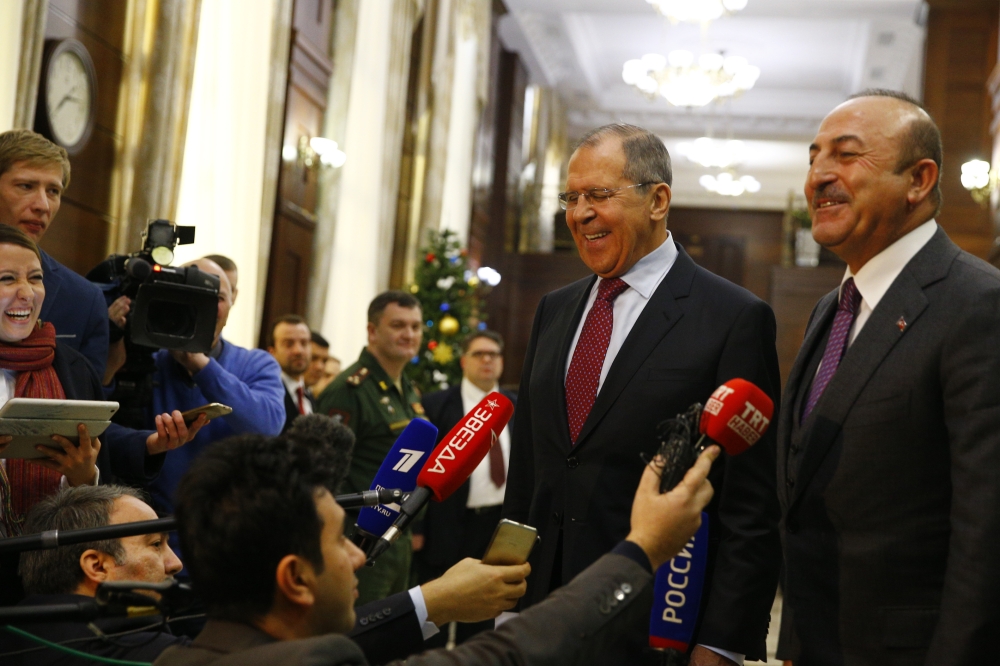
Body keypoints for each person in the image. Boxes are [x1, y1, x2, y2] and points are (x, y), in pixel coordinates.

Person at [501, 123, 782, 665]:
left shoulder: (733, 318)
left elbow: (750, 506)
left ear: (658, 200)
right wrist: (508, 602)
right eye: (571, 197)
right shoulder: (554, 310)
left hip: (657, 624)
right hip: (541, 619)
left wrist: (720, 644)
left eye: (599, 195)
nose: (579, 213)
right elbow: (531, 473)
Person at [153, 421, 720, 666]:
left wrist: (434, 600)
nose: (358, 554)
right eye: (337, 542)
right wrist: (643, 547)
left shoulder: (174, 657)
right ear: (294, 579)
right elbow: (515, 651)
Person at [776, 89, 1000, 666]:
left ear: (918, 179)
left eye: (846, 156)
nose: (819, 176)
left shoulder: (978, 304)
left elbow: (987, 527)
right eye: (813, 157)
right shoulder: (834, 306)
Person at [0, 225, 200, 602]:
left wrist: (83, 477)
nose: (26, 292)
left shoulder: (69, 366)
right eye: (7, 279)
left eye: (36, 278)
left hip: (53, 574)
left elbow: (98, 455)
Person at [145, 257, 284, 520]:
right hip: (156, 524)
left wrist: (200, 364)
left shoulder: (256, 363)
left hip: (227, 524)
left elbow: (267, 425)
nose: (206, 306)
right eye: (195, 295)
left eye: (218, 297)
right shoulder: (149, 362)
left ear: (232, 304)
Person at [315, 290, 426, 606]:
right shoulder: (349, 390)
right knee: (361, 632)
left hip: (397, 537)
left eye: (416, 327)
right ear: (372, 331)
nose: (409, 334)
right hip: (359, 538)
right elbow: (323, 474)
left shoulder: (407, 389)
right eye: (398, 325)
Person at [0, 485, 190, 665]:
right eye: (156, 544)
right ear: (97, 567)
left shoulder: (14, 641)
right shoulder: (163, 655)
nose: (175, 564)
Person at [415, 330, 516, 645]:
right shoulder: (436, 404)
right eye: (479, 354)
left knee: (484, 610)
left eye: (493, 355)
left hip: (497, 523)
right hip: (447, 522)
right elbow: (420, 468)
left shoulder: (515, 404)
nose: (487, 360)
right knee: (439, 608)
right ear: (463, 361)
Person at [0, 129, 110, 379]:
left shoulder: (83, 300)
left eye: (53, 192)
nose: (43, 205)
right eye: (26, 186)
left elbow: (88, 410)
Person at [268, 314, 315, 432]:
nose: (298, 351)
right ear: (272, 351)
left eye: (304, 343)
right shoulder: (268, 394)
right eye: (289, 344)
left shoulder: (308, 395)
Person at [305, 330, 337, 396]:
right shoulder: (279, 392)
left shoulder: (308, 399)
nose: (319, 367)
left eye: (324, 361)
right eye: (313, 358)